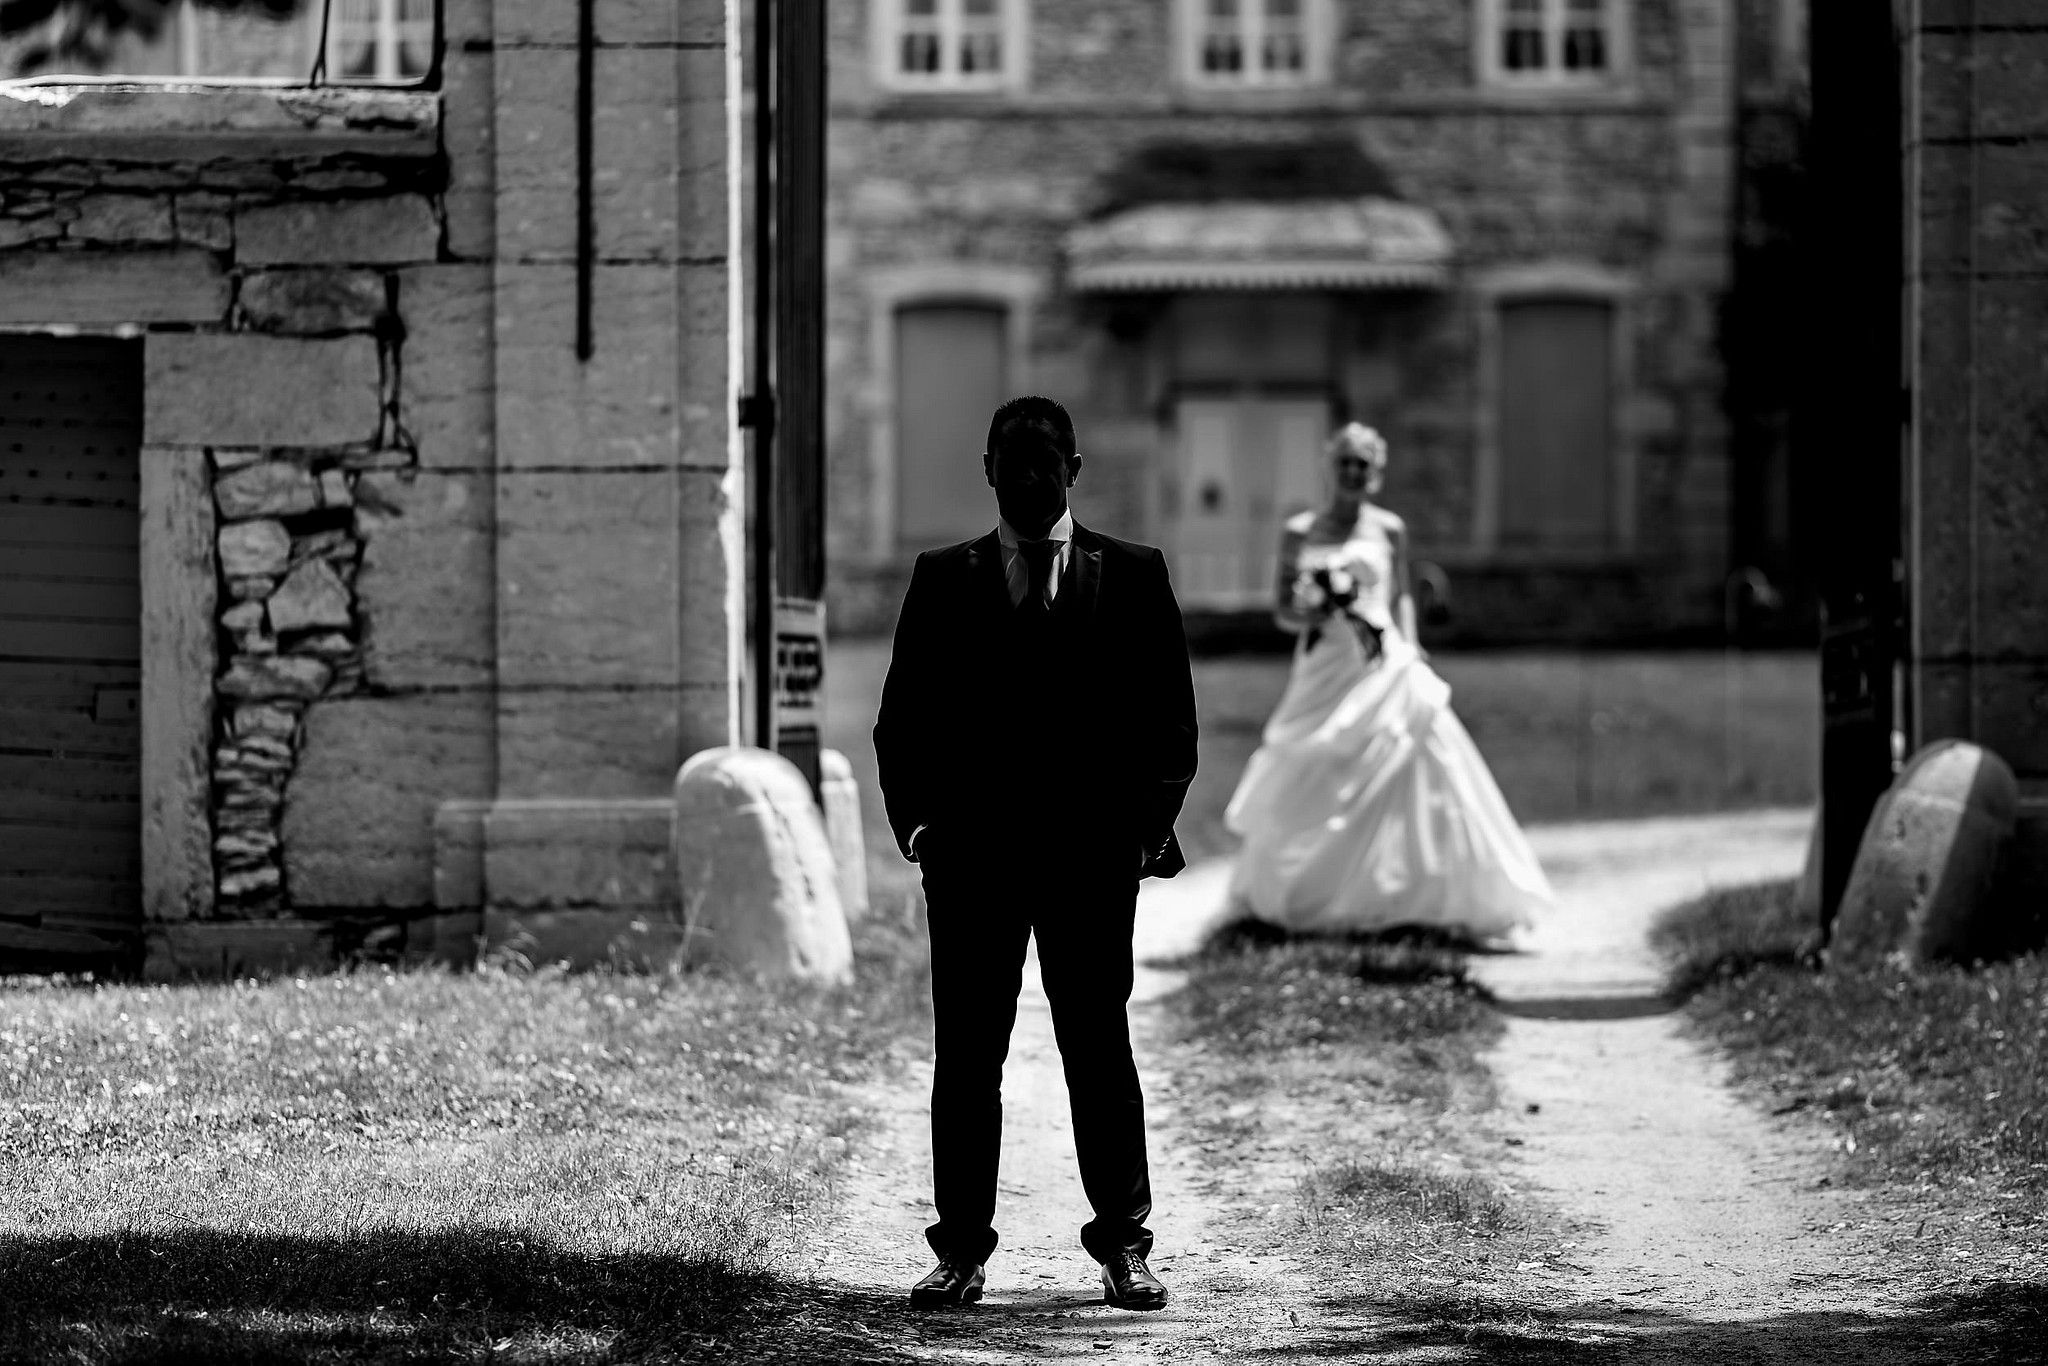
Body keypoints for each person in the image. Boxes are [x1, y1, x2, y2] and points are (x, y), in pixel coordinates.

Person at [873, 394, 1198, 1312]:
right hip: (971, 864)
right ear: (988, 471)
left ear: (1072, 471)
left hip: (1092, 863)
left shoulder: (1132, 574)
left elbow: (1170, 725)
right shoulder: (943, 578)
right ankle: (961, 1252)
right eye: (1010, 463)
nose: (1027, 478)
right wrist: (921, 828)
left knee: (1098, 1048)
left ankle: (1125, 1248)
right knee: (967, 1058)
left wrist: (1139, 835)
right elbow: (902, 724)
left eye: (1044, 463)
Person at [1224, 423, 1554, 940]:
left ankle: (1419, 896)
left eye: (1364, 465)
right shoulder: (1299, 531)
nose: (1353, 472)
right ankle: (1315, 895)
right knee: (1318, 762)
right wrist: (1320, 608)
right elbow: (1283, 611)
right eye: (1345, 463)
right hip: (1323, 665)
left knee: (1418, 756)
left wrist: (1412, 643)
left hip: (1383, 662)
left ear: (1375, 473)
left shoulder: (1390, 529)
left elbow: (1400, 594)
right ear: (1330, 468)